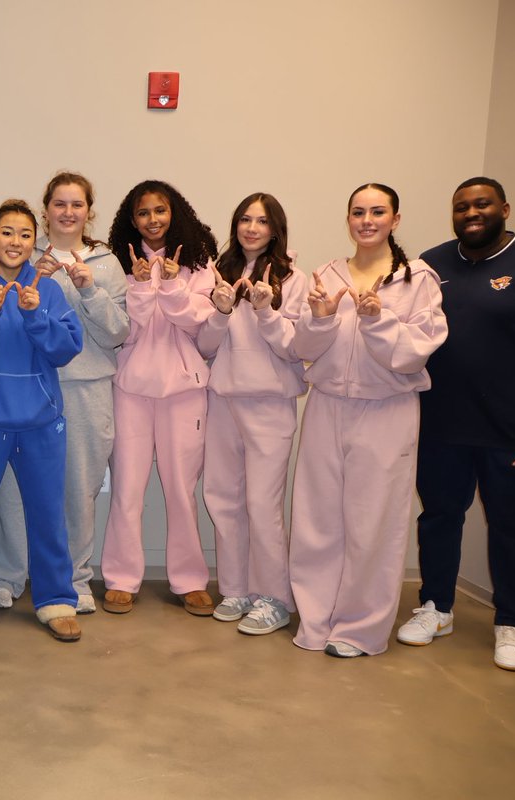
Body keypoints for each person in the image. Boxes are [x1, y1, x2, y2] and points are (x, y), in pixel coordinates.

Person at [290, 183, 447, 658]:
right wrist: (318, 319)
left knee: (372, 523)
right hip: (328, 405)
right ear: (348, 219)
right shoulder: (328, 274)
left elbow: (416, 351)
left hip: (387, 410)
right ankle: (316, 620)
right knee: (317, 519)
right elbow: (303, 350)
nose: (367, 220)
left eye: (378, 212)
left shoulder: (417, 279)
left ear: (395, 219)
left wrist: (379, 320)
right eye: (358, 212)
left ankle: (358, 629)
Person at [0, 173, 129, 614]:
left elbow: (119, 332)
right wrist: (35, 282)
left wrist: (88, 289)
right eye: (59, 204)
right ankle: (6, 574)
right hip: (28, 386)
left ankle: (74, 577)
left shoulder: (107, 264)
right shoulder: (23, 253)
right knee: (11, 486)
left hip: (86, 389)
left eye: (77, 204)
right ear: (45, 209)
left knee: (78, 488)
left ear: (89, 211)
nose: (68, 212)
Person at [0, 199, 84, 644]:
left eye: (25, 234)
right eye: (7, 232)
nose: (16, 242)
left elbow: (66, 350)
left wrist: (33, 315)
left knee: (48, 515)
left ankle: (55, 598)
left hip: (41, 422)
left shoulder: (49, 289)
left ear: (34, 240)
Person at [396, 177, 515, 671]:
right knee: (439, 517)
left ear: (504, 209)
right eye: (462, 206)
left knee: (511, 527)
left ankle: (512, 621)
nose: (471, 212)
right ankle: (436, 607)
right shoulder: (431, 264)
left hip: (507, 431)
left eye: (482, 204)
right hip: (442, 423)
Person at [100, 180, 218, 617]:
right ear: (132, 221)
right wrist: (139, 284)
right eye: (144, 213)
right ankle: (121, 577)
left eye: (160, 211)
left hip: (184, 393)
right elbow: (123, 330)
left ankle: (189, 580)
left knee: (181, 490)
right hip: (130, 390)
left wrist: (169, 285)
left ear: (175, 213)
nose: (153, 220)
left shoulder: (198, 264)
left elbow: (199, 327)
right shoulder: (118, 264)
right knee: (127, 489)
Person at [198, 193, 306, 635]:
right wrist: (222, 311)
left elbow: (294, 347)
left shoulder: (293, 279)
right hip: (223, 398)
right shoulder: (217, 272)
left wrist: (264, 309)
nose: (252, 228)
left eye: (262, 221)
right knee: (223, 498)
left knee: (262, 504)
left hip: (269, 403)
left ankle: (274, 598)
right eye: (245, 219)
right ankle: (237, 588)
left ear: (276, 228)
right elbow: (204, 347)